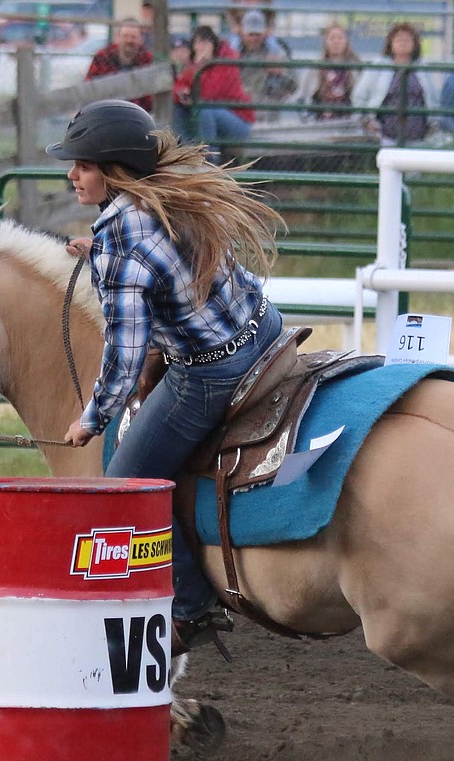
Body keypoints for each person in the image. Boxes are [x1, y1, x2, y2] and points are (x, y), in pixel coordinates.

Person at [48, 99, 286, 652]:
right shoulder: (174, 200)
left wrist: (92, 417)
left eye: (81, 165)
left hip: (209, 374)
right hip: (263, 331)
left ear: (113, 171)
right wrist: (100, 249)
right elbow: (161, 266)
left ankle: (192, 604)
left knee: (129, 483)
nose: (72, 175)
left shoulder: (122, 245)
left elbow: (125, 356)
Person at [352, 22, 438, 146]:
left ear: (415, 44)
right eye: (398, 40)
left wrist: (433, 124)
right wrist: (366, 121)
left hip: (418, 138)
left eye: (407, 40)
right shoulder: (379, 67)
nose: (403, 43)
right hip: (386, 137)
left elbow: (432, 99)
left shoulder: (422, 68)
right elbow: (360, 95)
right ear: (390, 44)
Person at [172, 25, 254, 155]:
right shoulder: (193, 65)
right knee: (176, 109)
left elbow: (212, 92)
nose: (201, 48)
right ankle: (186, 155)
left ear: (213, 44)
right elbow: (178, 87)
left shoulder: (227, 59)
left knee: (205, 109)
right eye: (197, 43)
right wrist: (182, 94)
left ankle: (209, 161)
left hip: (238, 122)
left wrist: (199, 66)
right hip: (207, 118)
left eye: (205, 43)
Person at [235, 8, 296, 123]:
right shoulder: (231, 54)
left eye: (257, 34)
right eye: (250, 34)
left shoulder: (278, 53)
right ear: (242, 32)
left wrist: (280, 73)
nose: (254, 38)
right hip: (239, 115)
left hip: (270, 115)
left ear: (264, 33)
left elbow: (294, 86)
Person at [292, 22, 361, 120]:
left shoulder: (356, 68)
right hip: (319, 121)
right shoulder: (314, 68)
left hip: (348, 121)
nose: (336, 42)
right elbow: (301, 96)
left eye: (340, 38)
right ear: (326, 42)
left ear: (346, 42)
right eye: (332, 38)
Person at [85, 17, 155, 112]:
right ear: (117, 37)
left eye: (133, 37)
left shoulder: (148, 59)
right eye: (125, 36)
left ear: (141, 39)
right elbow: (89, 87)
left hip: (139, 112)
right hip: (106, 110)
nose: (129, 41)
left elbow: (152, 96)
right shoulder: (102, 56)